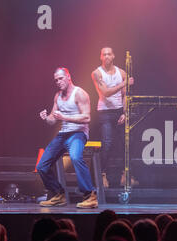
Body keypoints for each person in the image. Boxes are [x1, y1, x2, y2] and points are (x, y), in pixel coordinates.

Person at [37, 67, 98, 208]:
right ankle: (59, 194)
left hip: (78, 133)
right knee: (42, 166)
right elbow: (53, 119)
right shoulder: (57, 96)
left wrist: (64, 117)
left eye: (61, 78)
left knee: (76, 157)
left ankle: (90, 196)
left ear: (68, 77)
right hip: (63, 134)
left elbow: (87, 117)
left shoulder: (80, 94)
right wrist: (46, 118)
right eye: (56, 80)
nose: (58, 82)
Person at [91, 47, 134, 188]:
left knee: (125, 144)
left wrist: (124, 112)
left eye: (109, 54)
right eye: (104, 54)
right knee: (107, 144)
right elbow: (106, 93)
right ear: (100, 57)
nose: (107, 56)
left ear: (113, 56)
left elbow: (125, 95)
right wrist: (124, 82)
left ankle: (125, 175)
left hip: (119, 111)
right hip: (105, 112)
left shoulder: (121, 72)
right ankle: (102, 175)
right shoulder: (97, 73)